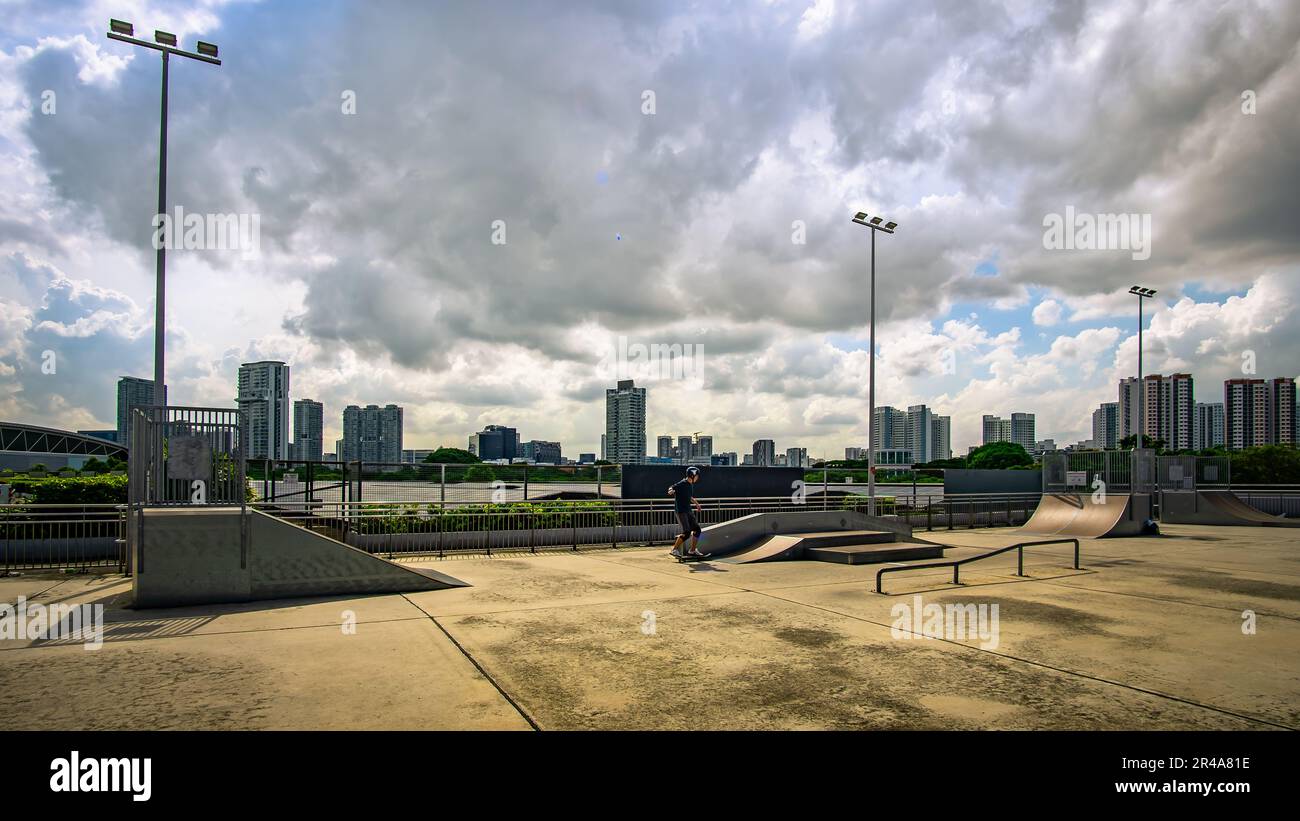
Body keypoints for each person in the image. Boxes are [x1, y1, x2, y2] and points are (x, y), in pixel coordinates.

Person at [668, 466, 707, 558]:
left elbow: (689, 497)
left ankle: (692, 550)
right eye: (697, 476)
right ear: (692, 475)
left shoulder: (690, 485)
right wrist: (671, 491)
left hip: (688, 510)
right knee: (687, 532)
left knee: (697, 530)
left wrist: (697, 504)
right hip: (681, 511)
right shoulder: (682, 483)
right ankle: (674, 550)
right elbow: (671, 487)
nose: (698, 477)